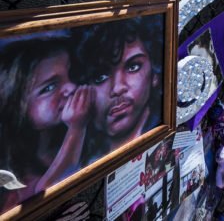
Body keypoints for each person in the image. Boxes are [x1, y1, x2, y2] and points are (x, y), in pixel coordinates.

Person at [0, 33, 94, 213]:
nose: (71, 88)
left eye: (71, 75)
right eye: (49, 87)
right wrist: (76, 128)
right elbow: (47, 192)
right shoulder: (13, 178)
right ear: (17, 106)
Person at [71, 16, 163, 163]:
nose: (117, 88)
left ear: (155, 75)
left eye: (133, 67)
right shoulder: (83, 161)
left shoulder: (163, 130)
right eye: (100, 77)